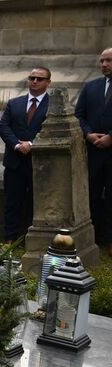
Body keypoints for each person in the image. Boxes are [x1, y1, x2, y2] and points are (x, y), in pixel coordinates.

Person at [0, 67, 51, 243]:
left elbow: (52, 131)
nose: (35, 81)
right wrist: (16, 144)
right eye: (32, 78)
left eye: (39, 79)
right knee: (12, 202)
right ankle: (10, 239)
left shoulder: (53, 106)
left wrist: (31, 144)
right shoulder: (14, 103)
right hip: (14, 161)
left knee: (37, 203)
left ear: (48, 83)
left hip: (40, 164)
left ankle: (34, 241)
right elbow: (3, 127)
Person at [74, 47, 112, 253]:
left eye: (108, 61)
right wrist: (88, 134)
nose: (103, 65)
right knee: (92, 195)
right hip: (93, 151)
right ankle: (94, 237)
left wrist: (110, 137)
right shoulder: (90, 87)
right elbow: (79, 115)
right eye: (101, 61)